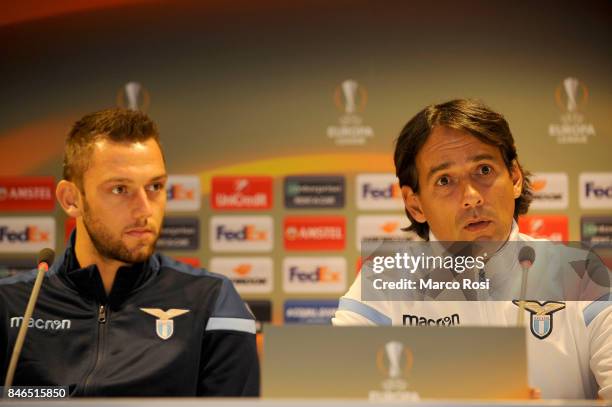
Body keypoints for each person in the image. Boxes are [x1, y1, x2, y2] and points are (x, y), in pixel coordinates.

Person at [333, 99, 611, 399]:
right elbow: (329, 389)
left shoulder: (580, 271)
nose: (471, 197)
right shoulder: (385, 281)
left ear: (515, 178)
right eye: (444, 180)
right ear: (415, 204)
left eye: (483, 170)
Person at [0, 108, 259, 396]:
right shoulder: (10, 303)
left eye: (155, 187)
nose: (145, 209)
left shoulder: (212, 300)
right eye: (120, 189)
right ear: (71, 199)